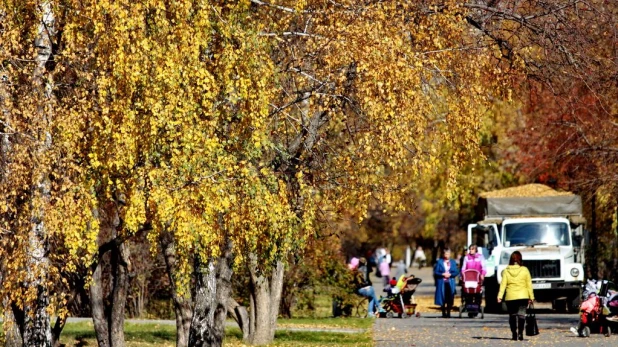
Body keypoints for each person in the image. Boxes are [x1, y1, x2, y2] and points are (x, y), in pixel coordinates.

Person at [497, 251, 534, 341]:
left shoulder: (506, 271)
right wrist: (531, 297)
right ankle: (520, 333)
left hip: (510, 297)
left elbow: (503, 284)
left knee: (512, 315)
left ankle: (514, 333)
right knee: (521, 315)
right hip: (523, 296)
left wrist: (500, 296)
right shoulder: (525, 270)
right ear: (520, 259)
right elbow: (529, 284)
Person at [433, 248, 459, 318]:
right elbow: (436, 272)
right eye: (445, 254)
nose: (446, 255)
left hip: (450, 282)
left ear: (450, 254)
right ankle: (443, 312)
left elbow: (456, 271)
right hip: (442, 282)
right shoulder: (439, 262)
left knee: (450, 297)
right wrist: (442, 274)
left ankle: (449, 313)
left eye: (448, 253)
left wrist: (450, 274)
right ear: (443, 254)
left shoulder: (453, 262)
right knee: (442, 297)